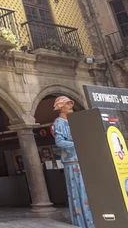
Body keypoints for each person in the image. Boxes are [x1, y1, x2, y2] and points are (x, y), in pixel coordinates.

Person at [53, 96, 94, 228]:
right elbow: (59, 141)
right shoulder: (59, 122)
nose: (71, 107)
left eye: (71, 104)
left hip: (80, 160)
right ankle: (82, 222)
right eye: (67, 104)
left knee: (86, 192)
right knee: (79, 192)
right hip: (72, 162)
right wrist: (77, 143)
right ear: (61, 107)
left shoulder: (72, 121)